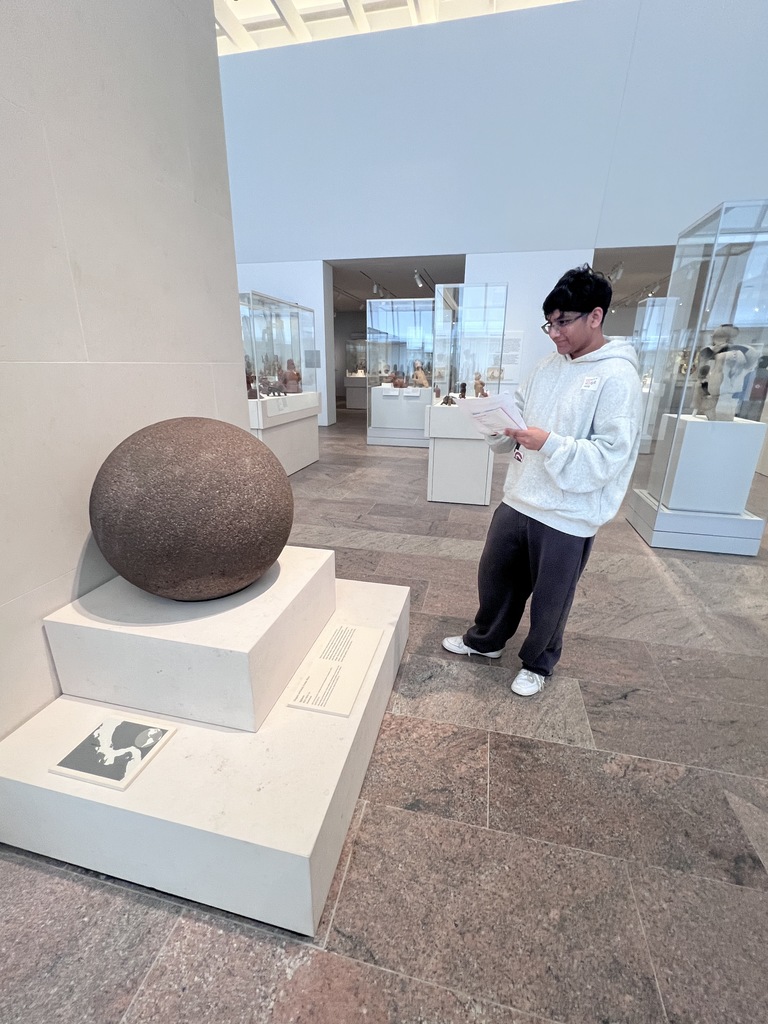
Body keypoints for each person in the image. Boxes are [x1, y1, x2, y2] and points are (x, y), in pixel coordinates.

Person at [442, 265, 642, 696]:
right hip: (520, 496)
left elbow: (611, 455)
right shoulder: (546, 366)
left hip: (569, 511)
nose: (554, 332)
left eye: (563, 322)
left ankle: (538, 663)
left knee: (552, 599)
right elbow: (517, 414)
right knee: (495, 577)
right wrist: (495, 425)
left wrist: (549, 444)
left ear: (595, 316)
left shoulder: (617, 376)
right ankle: (487, 640)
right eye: (549, 323)